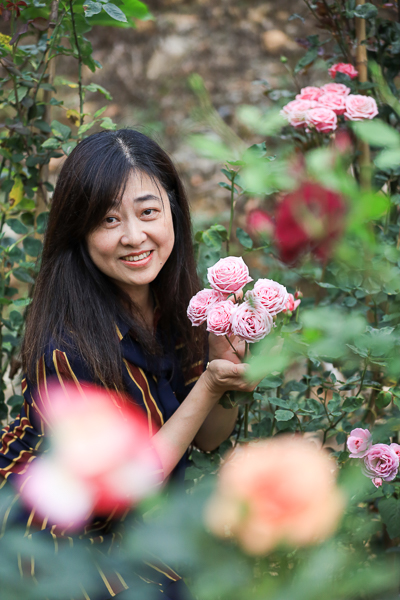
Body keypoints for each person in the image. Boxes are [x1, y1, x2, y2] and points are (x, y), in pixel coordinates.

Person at [0, 129, 257, 599]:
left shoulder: (174, 305)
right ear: (80, 230)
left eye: (148, 212)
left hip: (147, 527)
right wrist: (208, 388)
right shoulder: (65, 348)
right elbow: (121, 489)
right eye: (108, 220)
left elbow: (207, 437)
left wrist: (223, 375)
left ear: (173, 211)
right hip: (72, 544)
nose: (134, 236)